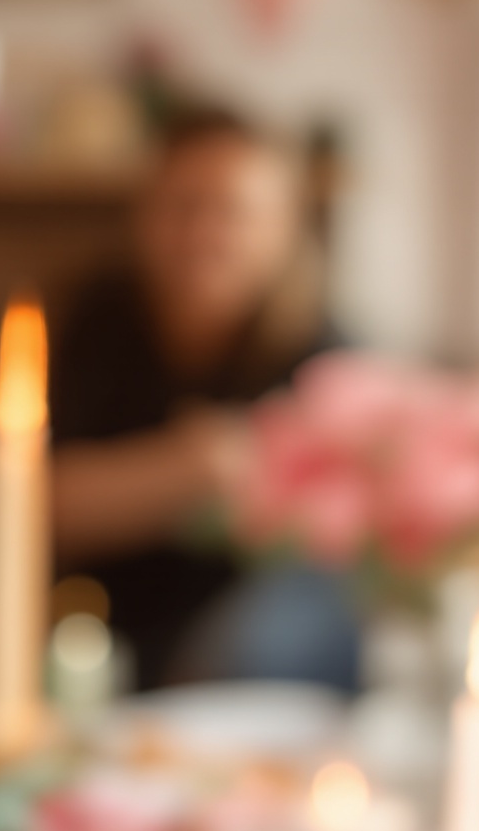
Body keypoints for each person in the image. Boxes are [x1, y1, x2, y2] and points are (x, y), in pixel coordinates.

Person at [47, 107, 343, 690]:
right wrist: (186, 470)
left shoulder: (329, 364)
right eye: (184, 206)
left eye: (232, 212)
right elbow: (29, 506)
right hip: (89, 634)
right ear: (144, 213)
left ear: (285, 226)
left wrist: (123, 488)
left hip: (247, 670)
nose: (204, 233)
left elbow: (334, 544)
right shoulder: (96, 323)